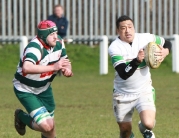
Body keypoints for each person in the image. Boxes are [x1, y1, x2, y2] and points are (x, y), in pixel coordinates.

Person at [108, 15, 171, 138]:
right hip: (122, 94)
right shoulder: (114, 47)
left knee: (149, 124)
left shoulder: (145, 38)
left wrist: (165, 51)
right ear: (118, 31)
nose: (127, 30)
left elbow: (166, 42)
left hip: (144, 91)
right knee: (125, 131)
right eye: (123, 28)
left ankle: (145, 130)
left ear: (134, 28)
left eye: (130, 27)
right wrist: (137, 61)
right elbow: (123, 73)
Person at [13, 20, 73, 138]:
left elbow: (65, 61)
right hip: (26, 89)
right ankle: (21, 116)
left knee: (50, 128)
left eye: (55, 33)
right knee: (47, 126)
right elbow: (27, 67)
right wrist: (54, 67)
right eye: (51, 35)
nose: (56, 37)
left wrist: (68, 69)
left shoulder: (59, 42)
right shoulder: (35, 47)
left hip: (44, 89)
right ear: (43, 36)